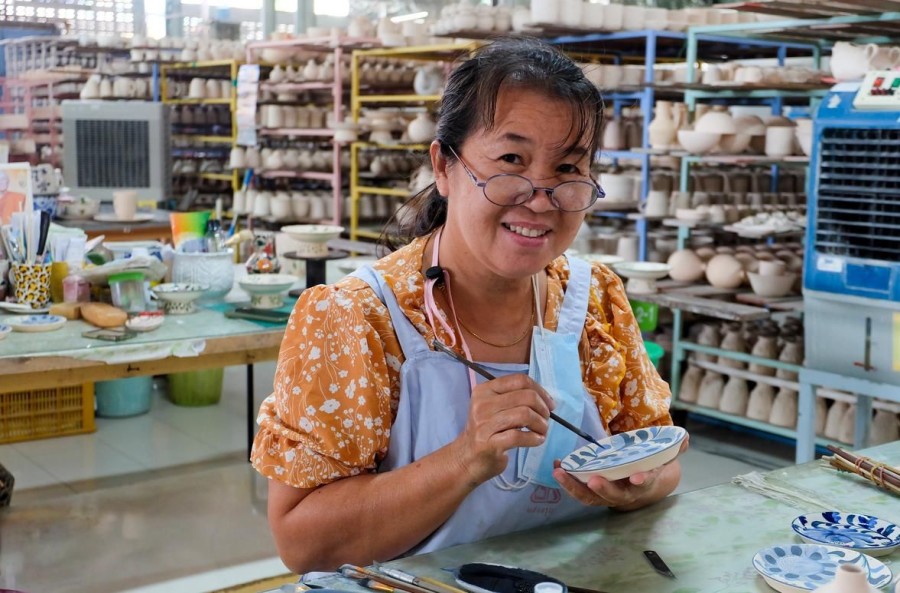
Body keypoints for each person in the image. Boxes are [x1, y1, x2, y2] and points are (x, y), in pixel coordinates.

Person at [251, 36, 686, 574]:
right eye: (511, 160)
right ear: (443, 166)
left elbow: (662, 461)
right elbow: (302, 543)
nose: (541, 198)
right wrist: (464, 460)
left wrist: (632, 490)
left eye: (568, 170)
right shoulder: (358, 318)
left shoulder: (594, 300)